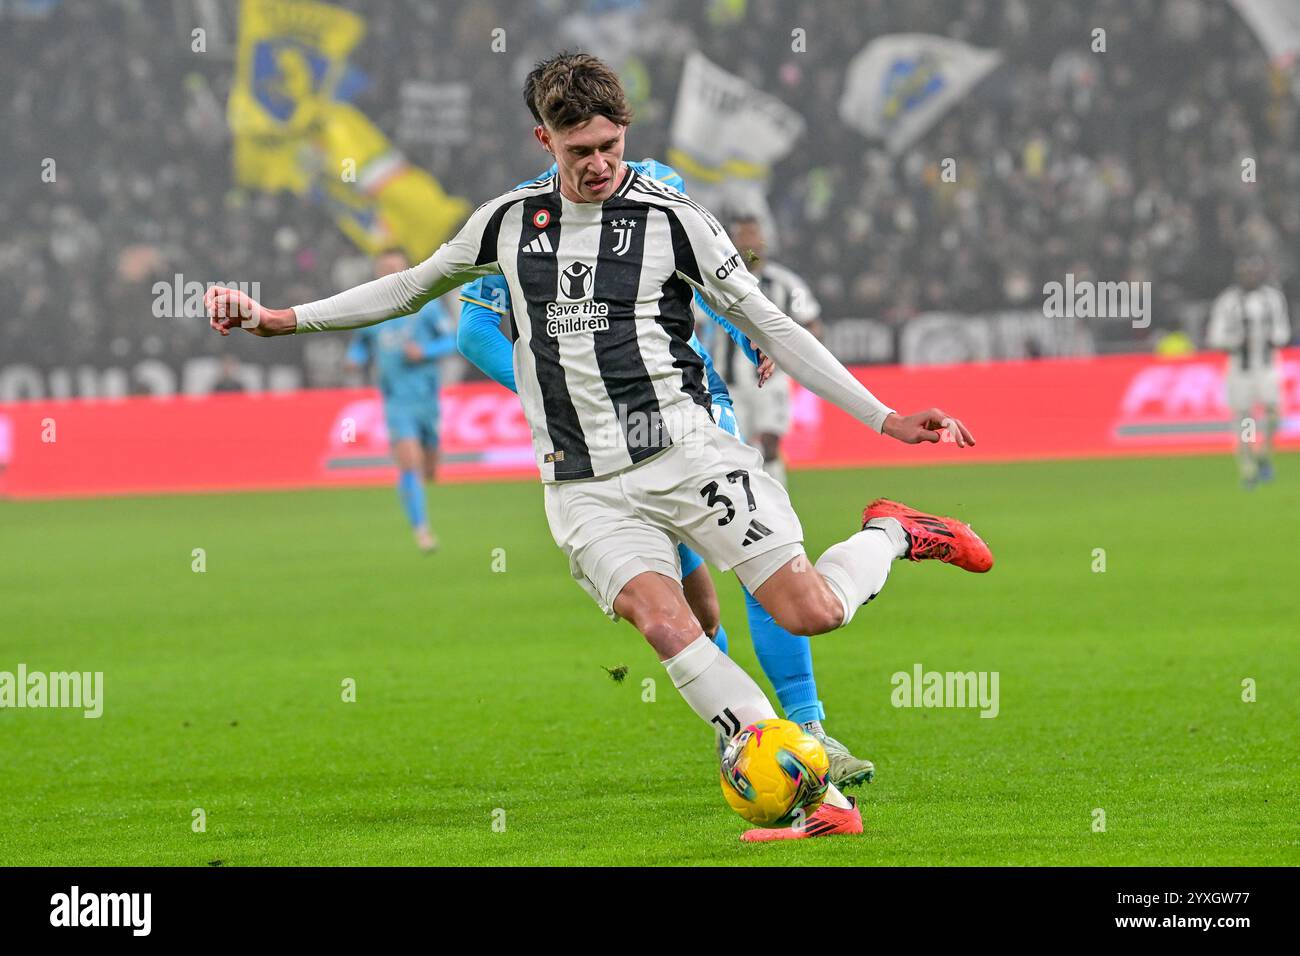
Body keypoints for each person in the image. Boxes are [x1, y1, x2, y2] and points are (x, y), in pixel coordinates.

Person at [207, 52, 993, 841]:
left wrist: (883, 416)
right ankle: (813, 795)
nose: (598, 165)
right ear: (542, 139)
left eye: (610, 146)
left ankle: (891, 530)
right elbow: (411, 286)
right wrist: (281, 318)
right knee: (665, 624)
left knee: (810, 610)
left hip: (684, 452)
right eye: (578, 150)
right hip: (581, 482)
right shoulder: (506, 223)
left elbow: (768, 321)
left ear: (625, 134)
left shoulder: (673, 219)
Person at [459, 156, 876, 789]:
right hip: (600, 453)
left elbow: (712, 281)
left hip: (692, 415)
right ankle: (740, 731)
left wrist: (747, 334)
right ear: (549, 133)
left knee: (758, 570)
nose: (595, 153)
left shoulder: (661, 186)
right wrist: (556, 391)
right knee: (692, 614)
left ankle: (809, 730)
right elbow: (474, 330)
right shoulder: (521, 218)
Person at [346, 248, 457, 551]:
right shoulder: (371, 313)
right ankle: (422, 531)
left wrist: (425, 352)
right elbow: (359, 347)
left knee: (430, 470)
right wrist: (353, 360)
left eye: (395, 268)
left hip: (427, 399)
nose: (389, 275)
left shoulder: (428, 306)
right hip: (396, 402)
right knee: (409, 464)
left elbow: (452, 340)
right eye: (383, 269)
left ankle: (423, 486)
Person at [713, 213, 822, 487]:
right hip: (729, 383)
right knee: (733, 449)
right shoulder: (715, 282)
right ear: (732, 241)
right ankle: (744, 506)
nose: (750, 242)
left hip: (771, 381)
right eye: (743, 236)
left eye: (754, 235)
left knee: (771, 442)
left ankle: (780, 503)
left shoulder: (785, 284)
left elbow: (811, 323)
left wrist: (794, 355)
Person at [1206, 254, 1291, 488]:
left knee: (1274, 412)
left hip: (1267, 365)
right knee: (1245, 418)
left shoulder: (1272, 298)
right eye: (1246, 273)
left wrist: (1274, 339)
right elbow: (1215, 336)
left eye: (1253, 272)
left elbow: (1283, 331)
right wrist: (1235, 342)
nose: (1250, 277)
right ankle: (1248, 465)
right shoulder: (1228, 301)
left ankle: (1264, 452)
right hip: (1240, 369)